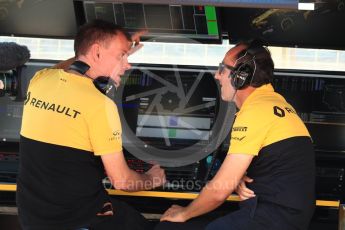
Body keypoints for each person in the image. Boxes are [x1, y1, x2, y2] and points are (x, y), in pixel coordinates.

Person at [17, 19, 165, 230]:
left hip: (33, 218)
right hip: (78, 219)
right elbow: (122, 181)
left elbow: (75, 64)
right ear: (96, 52)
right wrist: (151, 178)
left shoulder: (40, 80)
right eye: (122, 55)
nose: (128, 63)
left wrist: (113, 48)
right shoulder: (100, 104)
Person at [157, 40, 315, 230]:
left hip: (274, 217)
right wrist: (240, 175)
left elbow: (219, 192)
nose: (217, 75)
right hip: (283, 214)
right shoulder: (275, 103)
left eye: (222, 68)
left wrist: (184, 213)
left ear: (241, 76)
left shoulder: (255, 111)